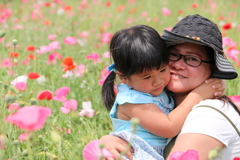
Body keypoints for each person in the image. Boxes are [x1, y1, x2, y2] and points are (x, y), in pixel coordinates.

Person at [100, 14, 240, 160]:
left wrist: (199, 94)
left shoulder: (210, 114)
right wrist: (107, 141)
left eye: (192, 59)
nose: (177, 65)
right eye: (173, 54)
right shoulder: (146, 97)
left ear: (213, 68)